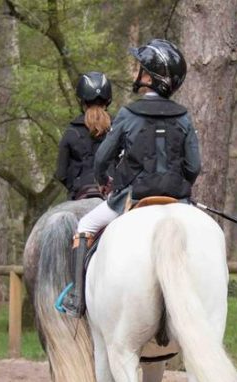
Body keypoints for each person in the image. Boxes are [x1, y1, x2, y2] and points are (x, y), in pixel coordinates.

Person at [59, 38, 202, 318]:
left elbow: (102, 160)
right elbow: (194, 166)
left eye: (142, 69)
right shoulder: (184, 117)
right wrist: (178, 186)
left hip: (131, 198)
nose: (138, 72)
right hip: (177, 200)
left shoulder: (128, 113)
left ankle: (76, 298)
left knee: (85, 226)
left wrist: (104, 182)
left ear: (150, 78)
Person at [55, 71, 113, 200]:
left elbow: (61, 174)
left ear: (81, 100)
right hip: (113, 192)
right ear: (108, 99)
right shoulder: (120, 128)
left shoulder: (71, 132)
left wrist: (75, 186)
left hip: (80, 192)